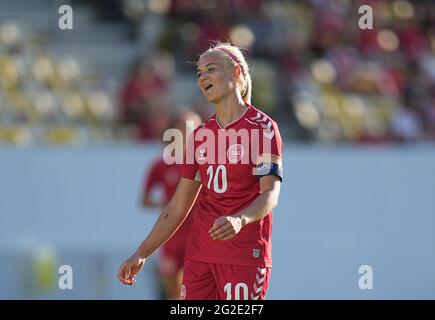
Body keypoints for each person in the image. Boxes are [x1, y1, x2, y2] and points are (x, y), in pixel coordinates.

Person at [118, 42, 283, 300]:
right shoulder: (200, 137)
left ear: (236, 73)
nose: (203, 76)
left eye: (210, 69)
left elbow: (270, 194)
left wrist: (239, 219)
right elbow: (177, 207)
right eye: (199, 73)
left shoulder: (262, 129)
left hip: (244, 255)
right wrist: (141, 253)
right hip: (200, 256)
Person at [141, 110, 202, 299]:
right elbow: (145, 200)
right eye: (186, 127)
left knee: (198, 292)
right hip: (171, 238)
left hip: (199, 237)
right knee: (173, 294)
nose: (191, 132)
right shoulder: (161, 164)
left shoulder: (205, 162)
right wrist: (168, 204)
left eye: (195, 127)